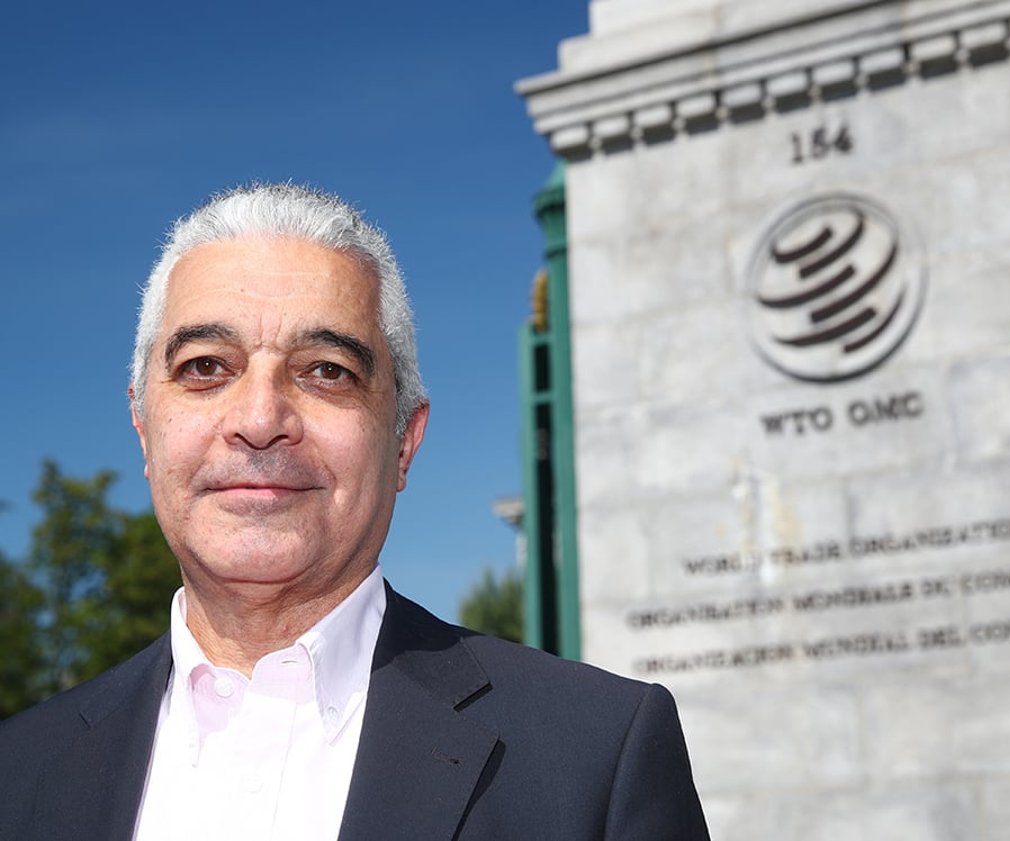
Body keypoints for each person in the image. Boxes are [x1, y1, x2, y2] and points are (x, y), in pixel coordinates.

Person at [0, 184, 710, 840]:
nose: (259, 417)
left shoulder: (597, 753)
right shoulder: (18, 770)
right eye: (206, 366)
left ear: (403, 439)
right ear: (142, 427)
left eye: (326, 370)